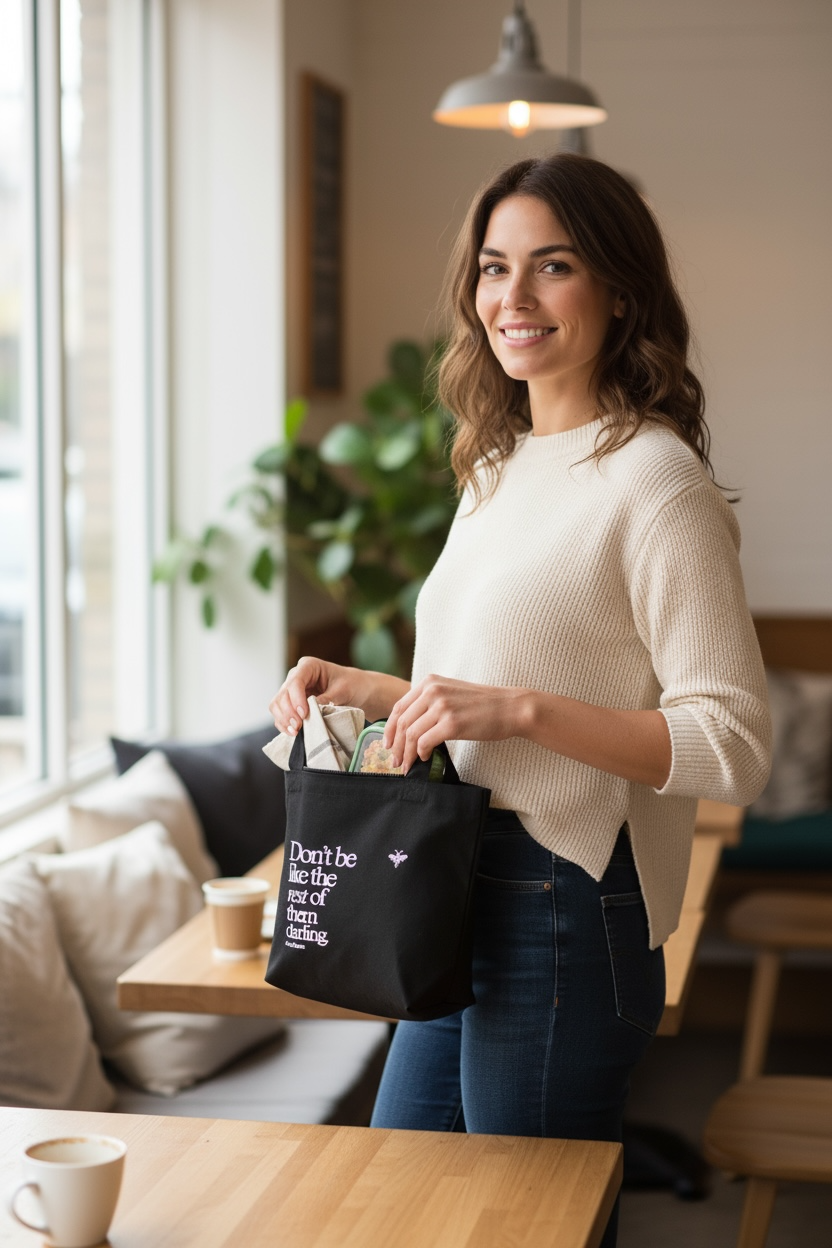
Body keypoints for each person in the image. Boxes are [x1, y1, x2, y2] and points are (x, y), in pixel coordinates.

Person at [269, 153, 771, 1246]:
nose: (514, 297)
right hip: (452, 881)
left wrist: (523, 712)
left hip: (564, 905)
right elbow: (477, 695)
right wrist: (370, 690)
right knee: (403, 1205)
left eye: (554, 265)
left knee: (523, 1227)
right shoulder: (495, 466)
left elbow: (732, 743)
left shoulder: (657, 483)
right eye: (495, 268)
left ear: (620, 290)